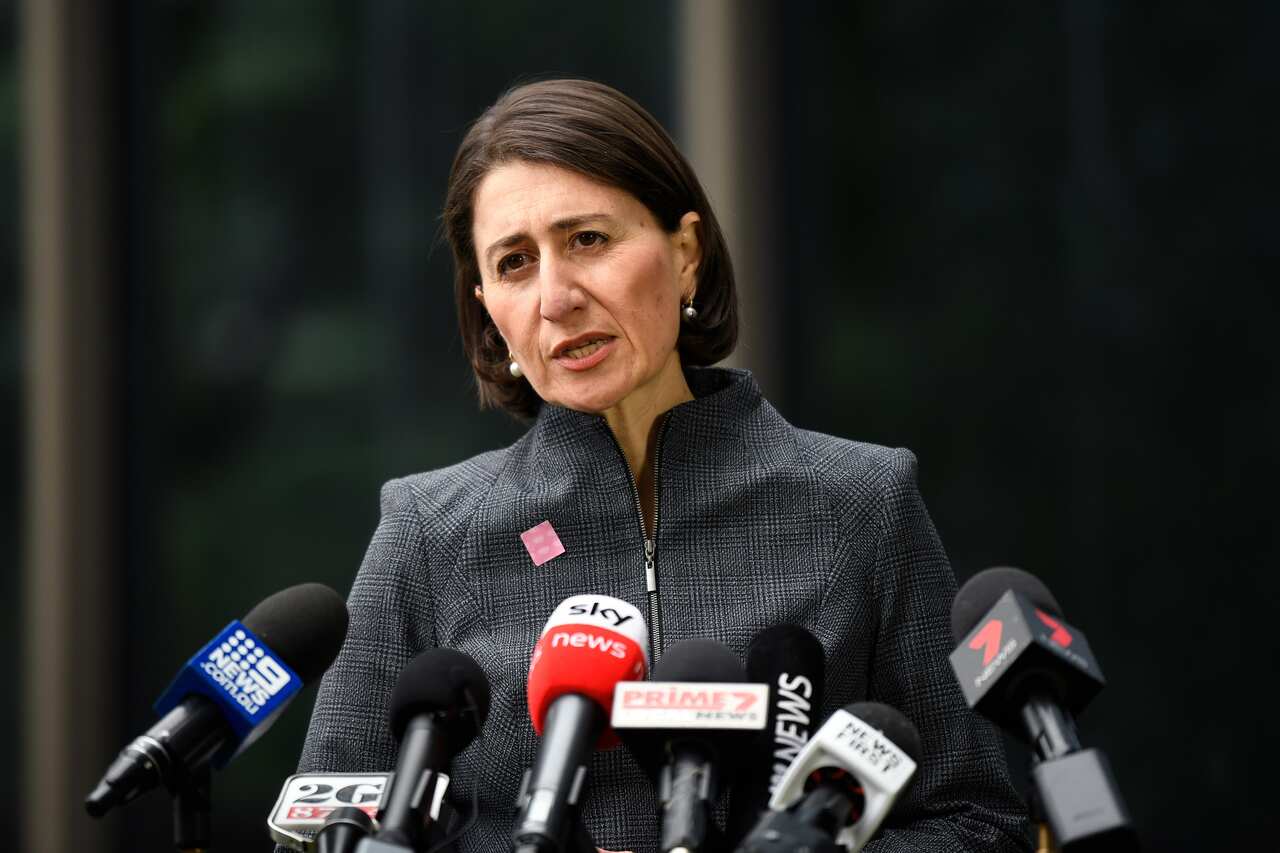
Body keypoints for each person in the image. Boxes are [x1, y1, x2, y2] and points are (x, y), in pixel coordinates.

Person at [289, 78, 1030, 852]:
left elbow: (980, 825)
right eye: (515, 263)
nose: (556, 297)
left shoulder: (861, 501)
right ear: (487, 310)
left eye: (588, 240)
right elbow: (318, 833)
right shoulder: (426, 530)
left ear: (685, 254)